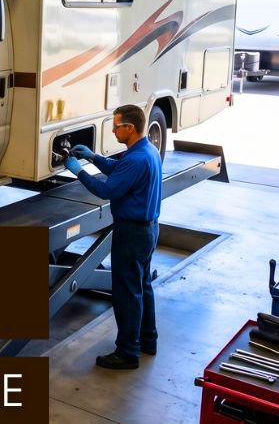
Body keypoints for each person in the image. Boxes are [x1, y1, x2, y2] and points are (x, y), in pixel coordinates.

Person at [63, 104, 162, 370]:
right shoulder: (147, 151)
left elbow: (108, 191)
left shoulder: (137, 159)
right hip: (149, 229)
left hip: (132, 233)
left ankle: (128, 352)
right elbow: (121, 169)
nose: (113, 130)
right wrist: (93, 158)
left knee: (127, 293)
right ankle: (147, 340)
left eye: (116, 126)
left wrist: (78, 171)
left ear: (130, 127)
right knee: (143, 287)